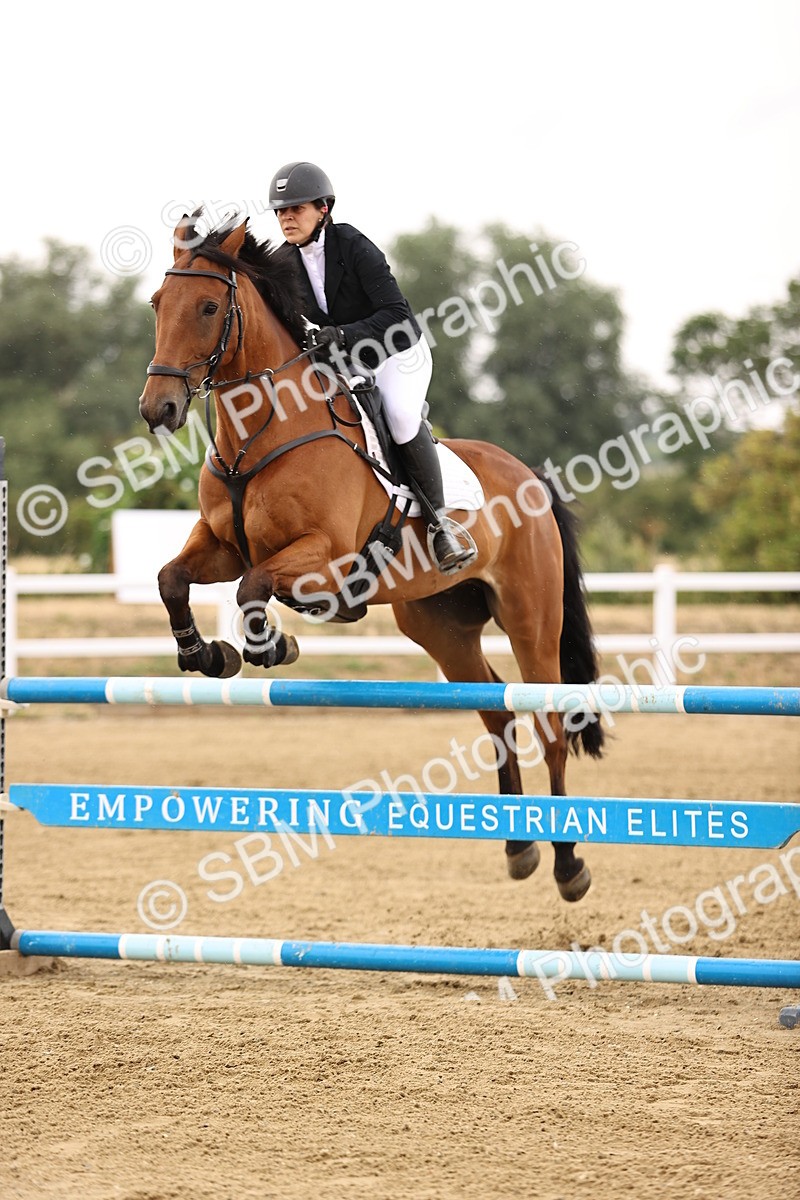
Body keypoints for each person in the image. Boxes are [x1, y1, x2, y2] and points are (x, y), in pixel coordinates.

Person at [267, 160, 476, 574]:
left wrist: (342, 335)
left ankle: (439, 525)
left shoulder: (354, 246)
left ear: (323, 209)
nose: (287, 217)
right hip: (346, 363)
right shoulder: (282, 262)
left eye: (296, 208)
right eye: (281, 211)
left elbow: (399, 317)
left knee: (398, 416)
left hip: (398, 352)